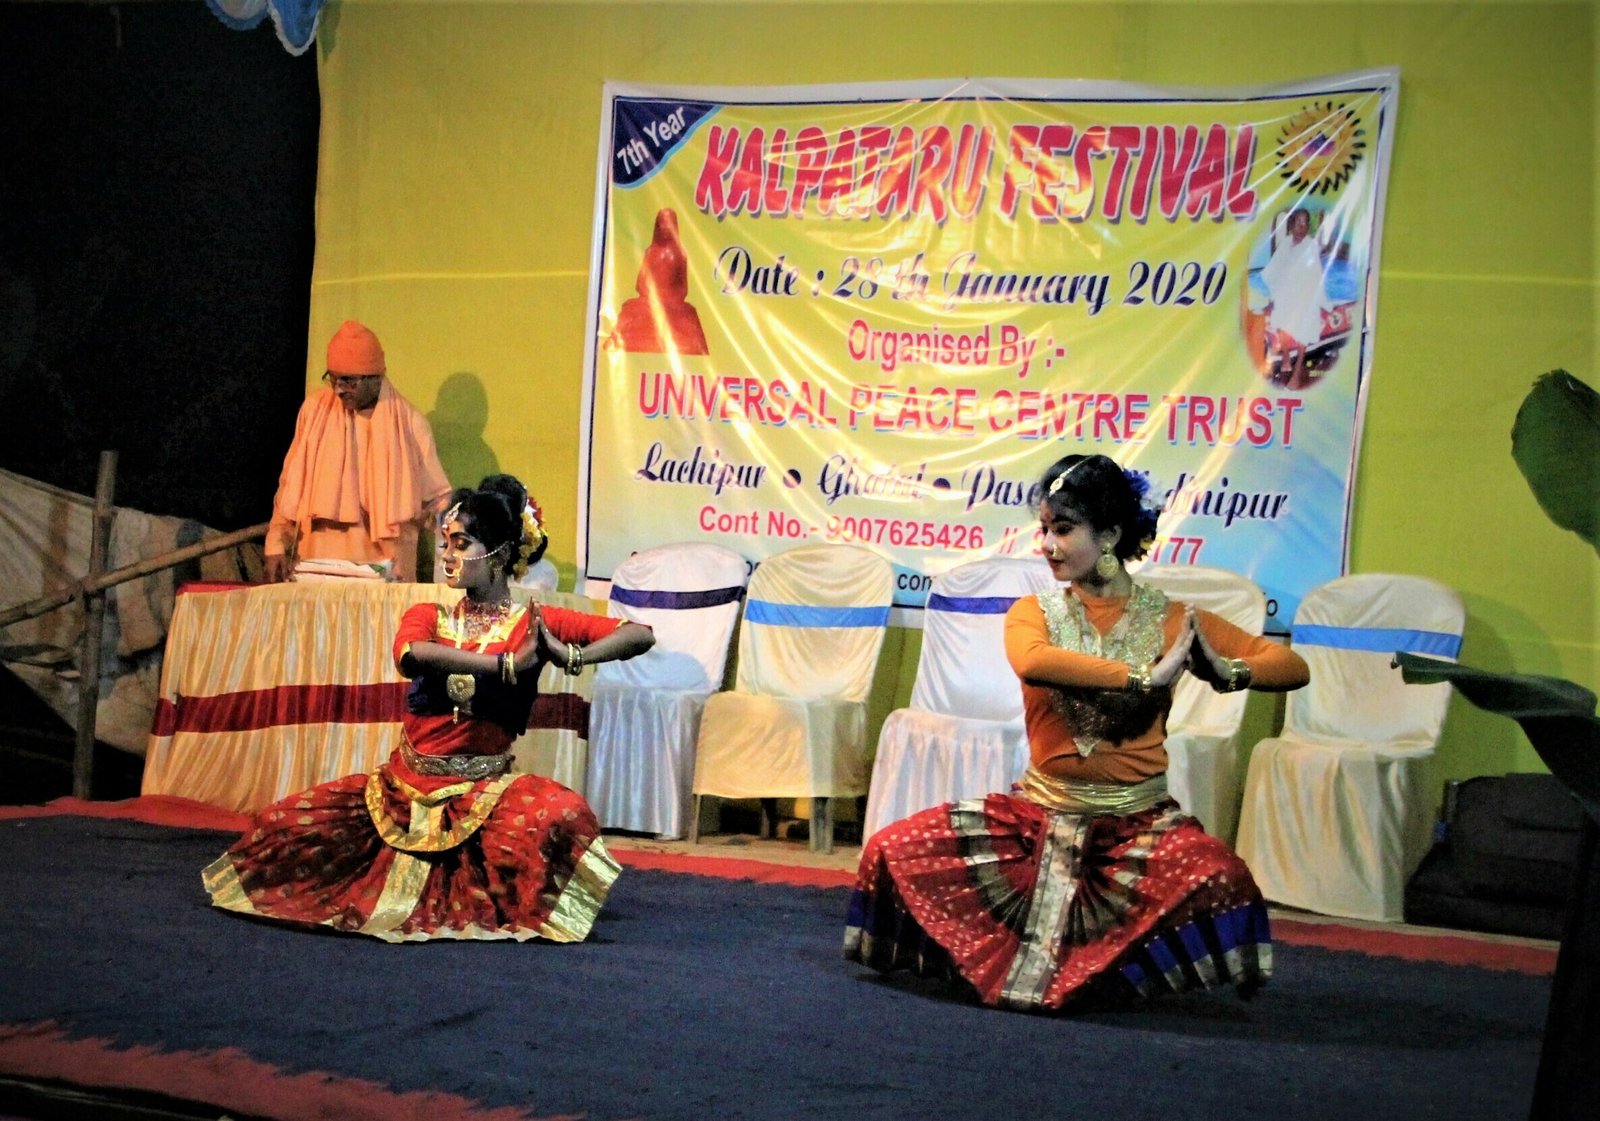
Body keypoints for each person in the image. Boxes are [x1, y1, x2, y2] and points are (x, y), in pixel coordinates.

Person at [844, 454, 1309, 1012]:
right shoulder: (1033, 613)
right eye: (1044, 528)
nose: (1047, 544)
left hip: (1136, 827)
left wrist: (1226, 671)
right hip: (1035, 817)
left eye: (1063, 529)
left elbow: (1291, 666)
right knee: (892, 851)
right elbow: (1034, 661)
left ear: (1110, 534)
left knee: (1222, 877)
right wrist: (1144, 677)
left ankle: (1109, 974)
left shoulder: (1174, 619)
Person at [204, 475, 656, 942]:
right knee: (280, 825)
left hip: (483, 793)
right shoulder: (429, 616)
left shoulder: (534, 622)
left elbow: (639, 634)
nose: (447, 556)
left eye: (461, 544)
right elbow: (410, 655)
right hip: (400, 791)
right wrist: (503, 664)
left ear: (498, 555)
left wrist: (571, 655)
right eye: (445, 544)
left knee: (564, 816)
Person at [263, 320, 454, 582]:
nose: (339, 389)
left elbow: (439, 506)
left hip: (386, 579)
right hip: (315, 572)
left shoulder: (410, 424)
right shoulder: (314, 412)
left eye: (349, 381)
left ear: (376, 377)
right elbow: (289, 489)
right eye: (333, 378)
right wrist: (275, 545)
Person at [1259, 207, 1329, 388]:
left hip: (1304, 295)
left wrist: (1316, 299)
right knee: (1280, 322)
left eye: (1305, 224)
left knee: (1305, 326)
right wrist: (1275, 292)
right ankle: (1285, 358)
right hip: (1286, 293)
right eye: (1298, 223)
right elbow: (1274, 268)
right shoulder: (1286, 243)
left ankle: (1297, 371)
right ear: (1291, 225)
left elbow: (1315, 274)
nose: (1301, 228)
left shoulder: (1310, 245)